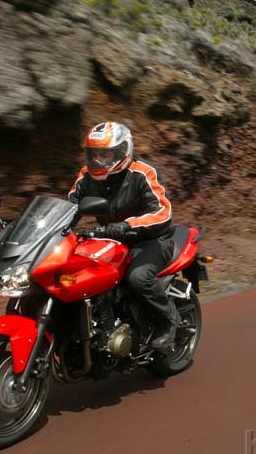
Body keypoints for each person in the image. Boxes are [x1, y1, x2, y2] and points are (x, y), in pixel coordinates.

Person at [67, 121, 179, 350]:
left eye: (105, 155)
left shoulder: (143, 172)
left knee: (138, 277)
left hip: (151, 238)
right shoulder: (86, 175)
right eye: (94, 154)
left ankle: (168, 320)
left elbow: (162, 212)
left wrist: (127, 225)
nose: (98, 160)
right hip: (110, 239)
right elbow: (70, 206)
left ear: (122, 152)